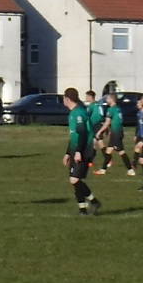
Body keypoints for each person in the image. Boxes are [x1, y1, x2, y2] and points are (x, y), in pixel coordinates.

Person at [62, 88, 101, 216]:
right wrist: (68, 153)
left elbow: (83, 133)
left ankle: (94, 201)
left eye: (64, 98)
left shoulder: (78, 113)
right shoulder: (73, 113)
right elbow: (74, 136)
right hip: (75, 150)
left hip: (84, 150)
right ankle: (82, 209)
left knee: (74, 180)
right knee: (76, 180)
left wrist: (79, 151)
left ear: (67, 99)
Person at [94, 92, 128, 175]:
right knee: (108, 151)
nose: (106, 100)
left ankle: (130, 169)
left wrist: (99, 131)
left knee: (121, 151)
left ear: (111, 99)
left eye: (108, 98)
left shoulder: (111, 109)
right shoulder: (118, 108)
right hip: (118, 131)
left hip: (116, 132)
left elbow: (107, 123)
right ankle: (103, 170)